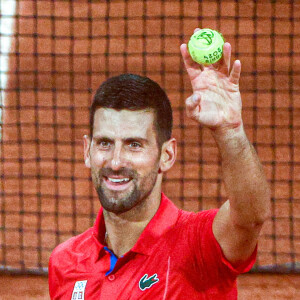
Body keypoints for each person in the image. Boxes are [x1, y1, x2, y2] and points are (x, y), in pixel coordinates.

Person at [48, 29, 270, 299]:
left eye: (134, 144)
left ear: (167, 155)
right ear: (87, 150)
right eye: (104, 143)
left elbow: (249, 219)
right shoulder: (65, 262)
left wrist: (230, 130)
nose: (116, 162)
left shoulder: (197, 247)